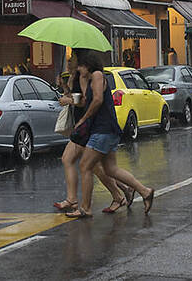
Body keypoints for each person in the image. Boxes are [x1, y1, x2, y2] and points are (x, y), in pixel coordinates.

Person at [67, 49, 154, 219]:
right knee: (110, 168)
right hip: (106, 130)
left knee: (85, 166)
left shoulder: (98, 75)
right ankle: (145, 191)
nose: (78, 70)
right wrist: (74, 81)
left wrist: (84, 119)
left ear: (88, 65)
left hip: (103, 129)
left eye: (80, 67)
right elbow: (86, 99)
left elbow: (98, 99)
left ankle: (85, 208)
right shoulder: (92, 79)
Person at [54, 53, 134, 214]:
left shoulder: (86, 77)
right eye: (68, 61)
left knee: (94, 166)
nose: (69, 64)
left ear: (81, 63)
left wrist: (70, 101)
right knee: (79, 162)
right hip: (84, 126)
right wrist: (64, 86)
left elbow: (85, 101)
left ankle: (119, 194)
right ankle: (75, 199)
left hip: (89, 126)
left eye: (72, 61)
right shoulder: (75, 77)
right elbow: (76, 96)